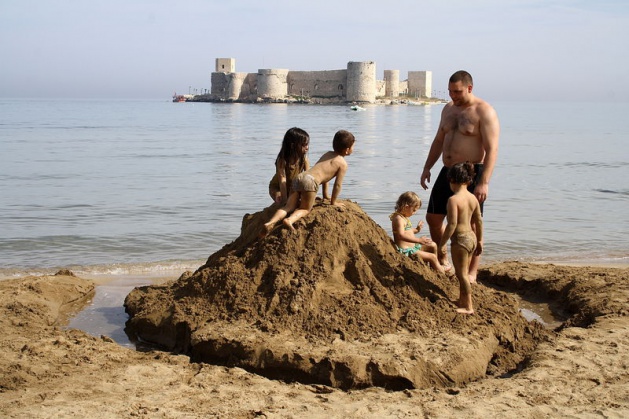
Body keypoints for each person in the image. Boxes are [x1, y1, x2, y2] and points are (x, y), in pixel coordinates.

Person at [420, 70, 499, 282]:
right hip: (447, 171)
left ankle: (472, 272)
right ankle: (443, 256)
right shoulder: (448, 109)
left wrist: (484, 183)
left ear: (469, 88)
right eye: (450, 91)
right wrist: (427, 167)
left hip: (471, 173)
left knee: (472, 224)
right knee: (433, 218)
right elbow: (438, 140)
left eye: (457, 92)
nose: (453, 96)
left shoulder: (484, 112)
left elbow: (492, 150)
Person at [260, 130, 355, 237]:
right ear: (347, 150)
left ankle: (270, 223)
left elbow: (324, 177)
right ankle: (290, 220)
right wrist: (333, 202)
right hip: (310, 182)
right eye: (353, 146)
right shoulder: (343, 164)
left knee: (288, 207)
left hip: (300, 177)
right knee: (304, 209)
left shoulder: (327, 154)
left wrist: (325, 195)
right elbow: (337, 185)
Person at [439, 162, 483, 314]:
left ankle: (469, 306)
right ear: (468, 180)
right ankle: (462, 300)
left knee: (462, 274)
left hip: (460, 239)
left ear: (452, 180)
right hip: (471, 237)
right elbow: (478, 220)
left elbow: (451, 224)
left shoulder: (453, 199)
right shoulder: (473, 198)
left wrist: (442, 244)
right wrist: (480, 240)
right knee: (463, 272)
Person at [389, 191, 448, 274]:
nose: (415, 213)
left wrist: (417, 229)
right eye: (414, 210)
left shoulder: (403, 217)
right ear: (406, 207)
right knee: (432, 257)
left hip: (413, 247)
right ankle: (441, 272)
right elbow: (401, 235)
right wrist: (419, 240)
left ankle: (434, 267)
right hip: (406, 251)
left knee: (433, 245)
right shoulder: (398, 219)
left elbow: (407, 231)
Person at [269, 127, 310, 205]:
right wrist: (285, 200)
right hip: (278, 187)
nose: (307, 148)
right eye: (304, 145)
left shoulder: (304, 159)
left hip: (293, 186)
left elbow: (308, 176)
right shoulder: (282, 160)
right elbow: (282, 181)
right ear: (292, 145)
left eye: (307, 144)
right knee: (280, 198)